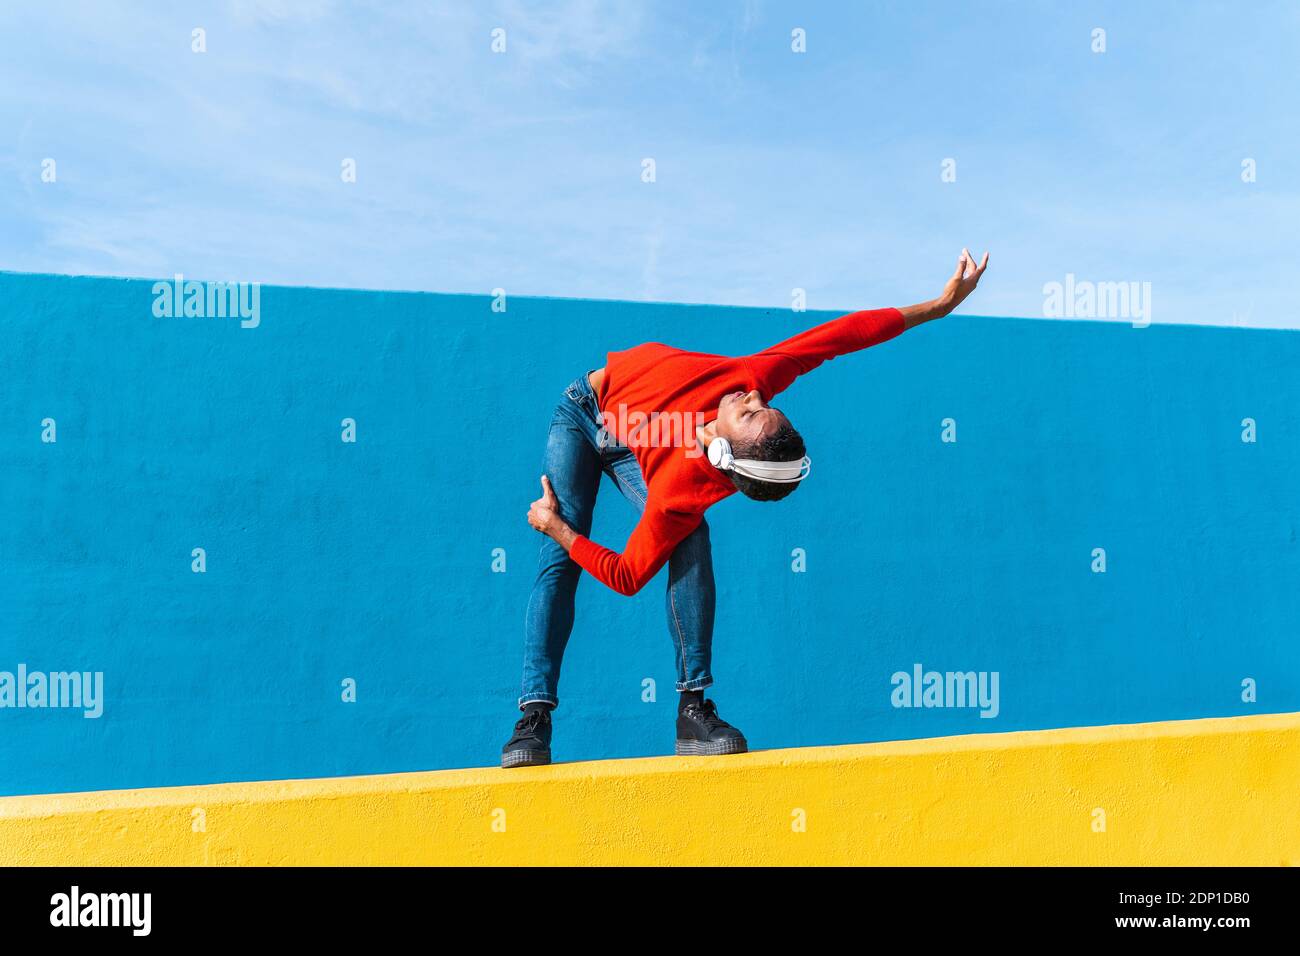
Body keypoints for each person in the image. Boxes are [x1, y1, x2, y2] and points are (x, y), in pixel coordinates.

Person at [503, 250, 990, 767]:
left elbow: (626, 575)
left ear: (725, 452)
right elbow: (842, 337)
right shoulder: (751, 377)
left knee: (627, 540)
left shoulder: (678, 489)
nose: (750, 396)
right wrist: (936, 308)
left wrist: (556, 526)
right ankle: (534, 714)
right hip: (583, 411)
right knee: (557, 566)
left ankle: (691, 710)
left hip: (630, 448)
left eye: (752, 414)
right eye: (762, 404)